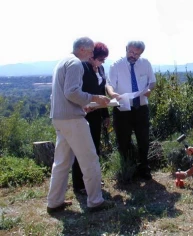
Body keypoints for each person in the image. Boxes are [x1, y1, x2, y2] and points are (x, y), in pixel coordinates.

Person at [47, 37, 115, 213]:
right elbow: (71, 92)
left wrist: (85, 102)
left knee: (61, 162)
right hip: (72, 119)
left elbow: (63, 93)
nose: (93, 54)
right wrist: (94, 98)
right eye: (91, 51)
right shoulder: (76, 64)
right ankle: (96, 201)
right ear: (83, 49)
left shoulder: (62, 62)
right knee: (90, 160)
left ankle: (54, 202)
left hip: (59, 117)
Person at [106, 41, 156, 180]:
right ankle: (128, 169)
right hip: (122, 108)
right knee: (123, 141)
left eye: (137, 54)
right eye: (131, 52)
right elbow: (109, 84)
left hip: (141, 107)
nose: (133, 56)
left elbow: (152, 81)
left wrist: (150, 89)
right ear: (126, 49)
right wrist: (112, 94)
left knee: (143, 139)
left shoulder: (145, 64)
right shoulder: (116, 65)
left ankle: (144, 168)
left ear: (141, 53)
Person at [72, 42, 110, 195]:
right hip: (83, 113)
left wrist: (105, 114)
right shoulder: (81, 68)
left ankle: (93, 178)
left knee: (94, 148)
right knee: (80, 149)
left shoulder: (100, 69)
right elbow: (77, 91)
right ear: (92, 56)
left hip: (96, 113)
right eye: (101, 59)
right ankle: (79, 183)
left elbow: (102, 91)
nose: (103, 62)